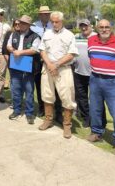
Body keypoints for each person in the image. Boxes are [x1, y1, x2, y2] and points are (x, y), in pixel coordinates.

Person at [38, 11, 78, 139]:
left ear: (62, 21)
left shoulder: (69, 35)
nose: (54, 24)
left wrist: (56, 65)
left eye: (57, 22)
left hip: (63, 69)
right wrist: (49, 64)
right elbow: (42, 50)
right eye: (52, 22)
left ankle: (67, 125)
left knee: (67, 97)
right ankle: (48, 120)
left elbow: (71, 53)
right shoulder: (47, 33)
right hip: (48, 68)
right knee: (47, 94)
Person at [87, 19, 115, 156]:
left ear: (111, 28)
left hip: (114, 82)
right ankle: (96, 133)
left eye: (107, 27)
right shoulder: (91, 41)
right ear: (97, 28)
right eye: (101, 27)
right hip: (95, 79)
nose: (104, 29)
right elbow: (92, 56)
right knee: (95, 109)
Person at [7, 15, 40, 124]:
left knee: (29, 91)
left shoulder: (35, 36)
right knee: (16, 89)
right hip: (15, 66)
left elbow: (35, 50)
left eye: (23, 23)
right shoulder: (14, 34)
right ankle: (16, 110)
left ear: (28, 25)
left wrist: (20, 52)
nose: (20, 24)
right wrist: (12, 49)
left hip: (28, 67)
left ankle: (29, 113)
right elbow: (8, 46)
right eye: (20, 22)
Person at [30, 6, 52, 116]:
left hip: (51, 58)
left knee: (51, 84)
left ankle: (54, 109)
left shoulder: (53, 25)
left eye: (48, 14)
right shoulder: (33, 26)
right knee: (39, 84)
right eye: (44, 14)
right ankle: (41, 108)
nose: (46, 15)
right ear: (39, 15)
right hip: (37, 59)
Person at [74, 19, 96, 127]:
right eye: (81, 26)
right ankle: (86, 117)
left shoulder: (96, 36)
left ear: (90, 26)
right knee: (82, 97)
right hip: (78, 72)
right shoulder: (76, 37)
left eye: (85, 26)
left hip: (94, 73)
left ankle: (95, 118)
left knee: (95, 98)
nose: (83, 28)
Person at [0, 8, 11, 103]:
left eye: (1, 14)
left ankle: (0, 93)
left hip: (1, 52)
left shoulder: (7, 26)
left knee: (1, 73)